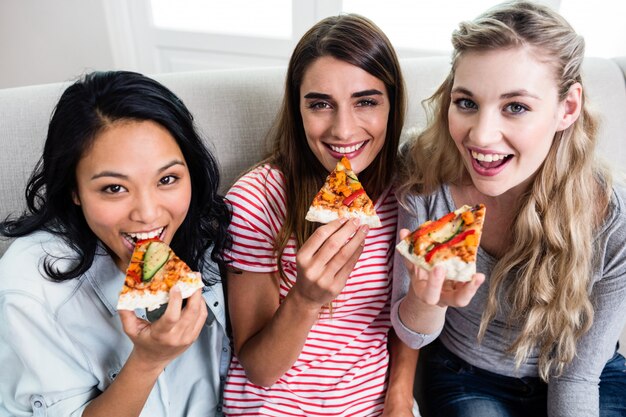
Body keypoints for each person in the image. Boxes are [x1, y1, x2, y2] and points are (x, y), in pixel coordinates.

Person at [391, 2, 626, 417]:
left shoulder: (613, 221)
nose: (480, 136)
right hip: (468, 375)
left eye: (515, 106)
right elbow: (414, 333)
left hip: (585, 373)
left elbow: (578, 376)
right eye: (466, 102)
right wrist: (431, 302)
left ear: (567, 108)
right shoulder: (423, 173)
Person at [0, 71, 232, 417]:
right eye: (114, 188)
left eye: (167, 179)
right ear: (74, 190)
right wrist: (147, 361)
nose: (148, 213)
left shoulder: (210, 232)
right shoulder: (28, 291)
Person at [222, 13, 419, 417]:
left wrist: (399, 398)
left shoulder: (409, 192)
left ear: (392, 105)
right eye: (320, 104)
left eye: (365, 101)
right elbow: (258, 370)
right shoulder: (256, 200)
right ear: (297, 110)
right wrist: (306, 300)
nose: (343, 131)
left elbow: (408, 311)